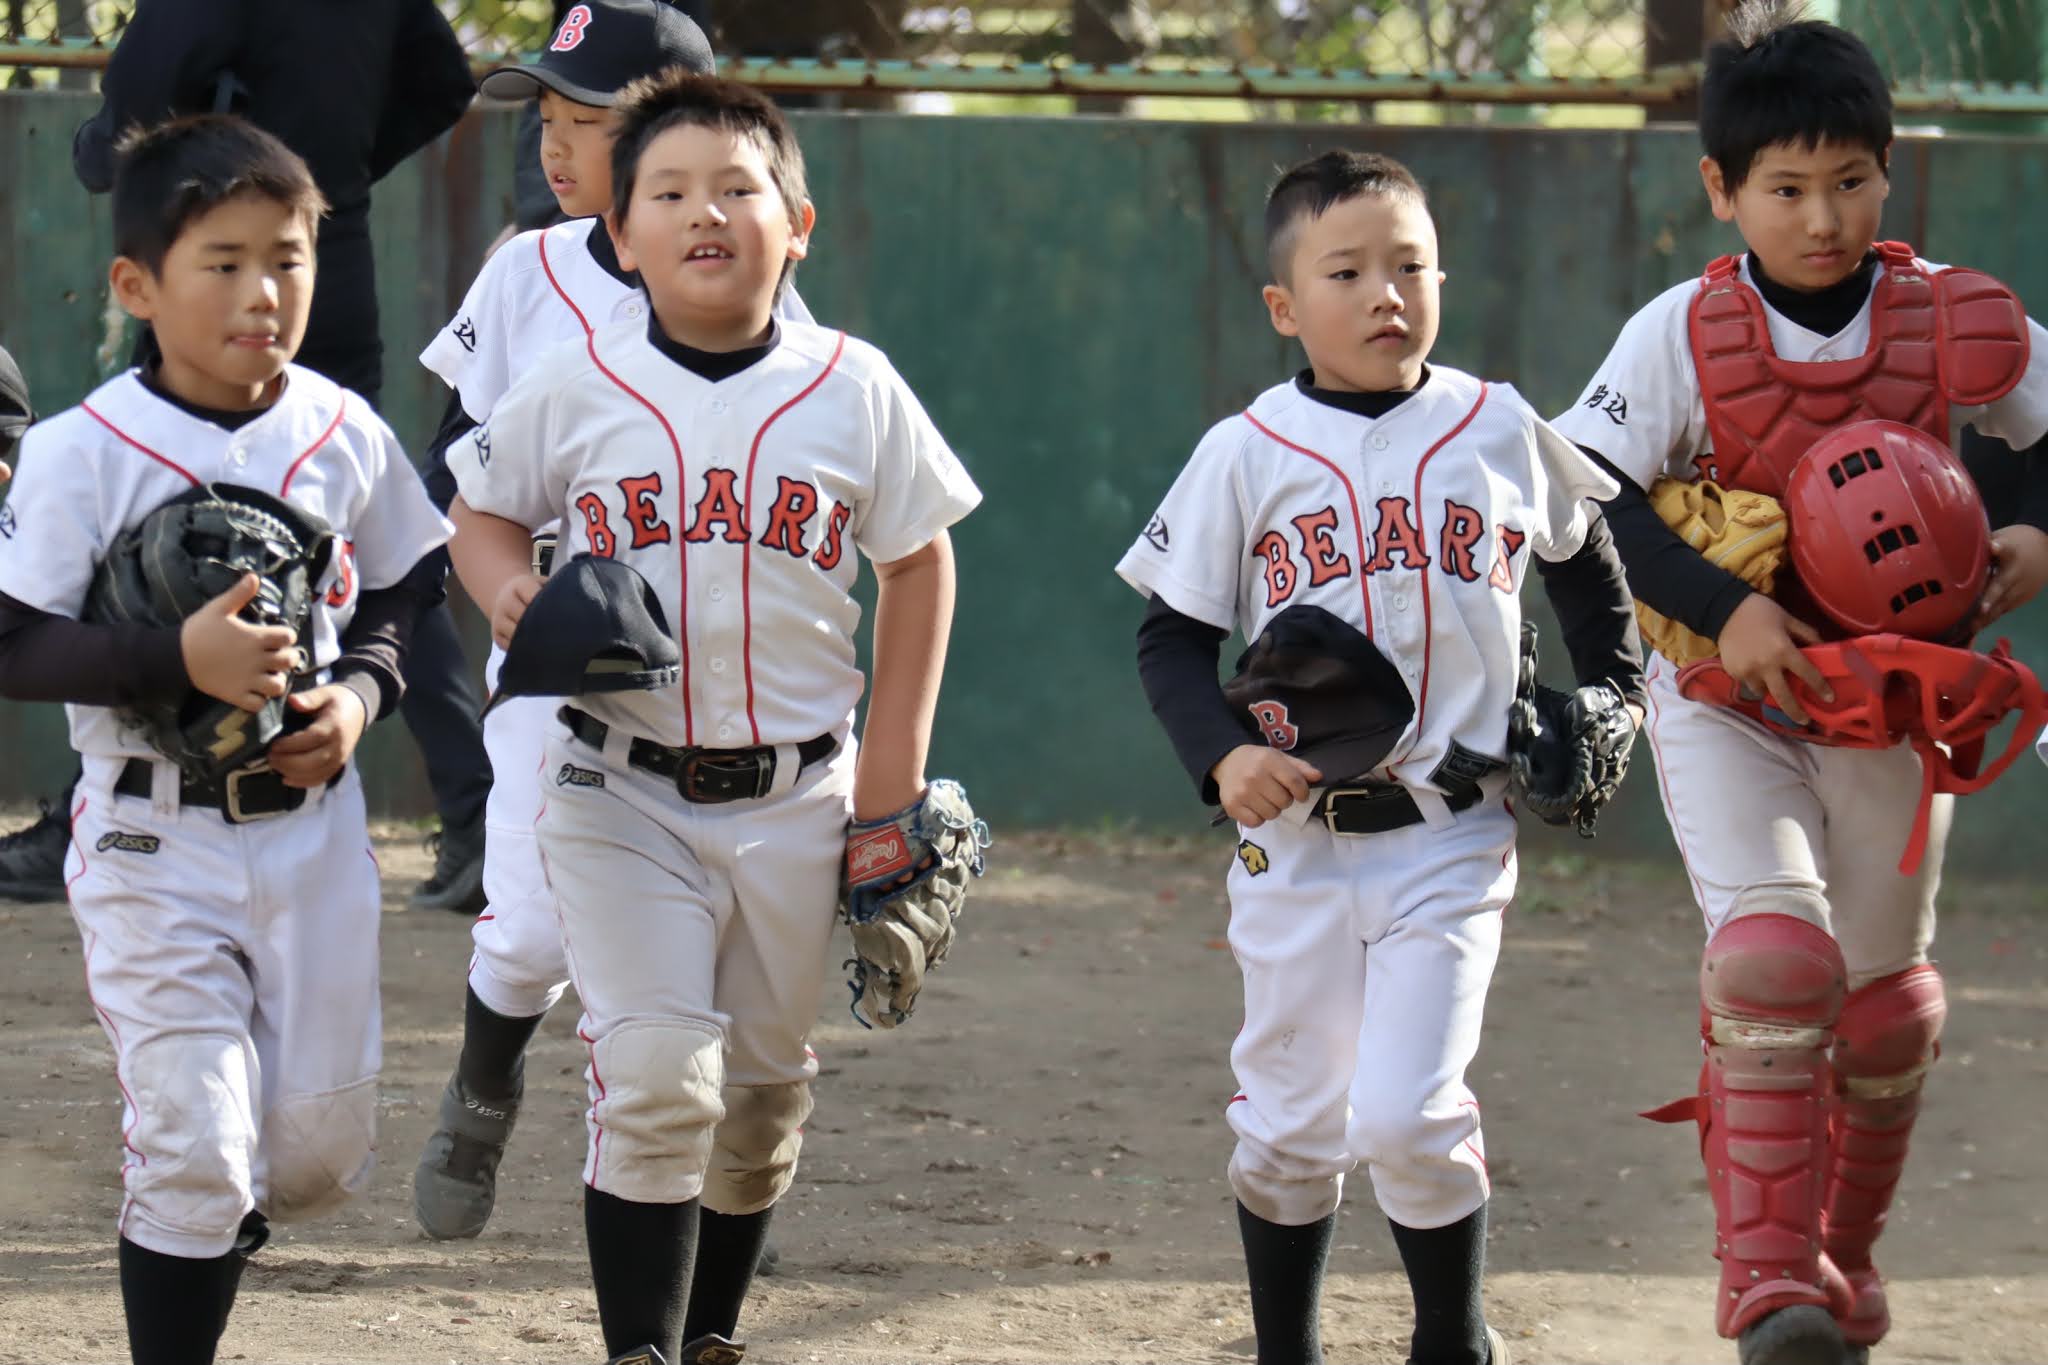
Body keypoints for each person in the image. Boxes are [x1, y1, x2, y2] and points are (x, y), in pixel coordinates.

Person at [443, 70, 979, 1365]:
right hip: (616, 787)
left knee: (759, 1101)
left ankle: (711, 1334)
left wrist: (890, 783)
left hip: (801, 795)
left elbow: (918, 558)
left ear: (796, 224)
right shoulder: (577, 385)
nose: (705, 212)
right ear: (618, 236)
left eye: (739, 188)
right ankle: (640, 1347)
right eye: (668, 192)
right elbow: (483, 507)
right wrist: (512, 587)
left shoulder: (853, 385)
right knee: (657, 1075)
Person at [1547, 9, 2048, 1364]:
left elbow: (2039, 440)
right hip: (1728, 698)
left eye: (1849, 180)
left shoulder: (1949, 308)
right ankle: (1765, 1285)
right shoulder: (1682, 332)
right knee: (1775, 959)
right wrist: (1722, 607)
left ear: (1889, 172)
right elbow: (1586, 494)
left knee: (1887, 1012)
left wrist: (2031, 530)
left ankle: (1845, 1260)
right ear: (1721, 188)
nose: (1821, 216)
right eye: (1785, 187)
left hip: (1895, 704)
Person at [1118, 149, 1644, 1365]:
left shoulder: (1497, 425)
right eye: (1344, 270)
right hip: (1294, 842)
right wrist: (1217, 762)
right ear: (1283, 306)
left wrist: (1613, 696)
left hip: (1449, 834)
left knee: (1407, 1115)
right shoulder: (1245, 450)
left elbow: (1587, 574)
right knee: (1290, 1133)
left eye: (1407, 265)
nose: (1382, 293)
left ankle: (1450, 1342)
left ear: (1439, 278)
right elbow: (1169, 640)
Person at [0, 115, 451, 1365]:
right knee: (197, 1149)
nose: (264, 291)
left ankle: (214, 1220)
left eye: (290, 258)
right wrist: (171, 660)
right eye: (225, 261)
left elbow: (413, 585)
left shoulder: (340, 427)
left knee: (309, 1160)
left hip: (312, 840)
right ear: (138, 286)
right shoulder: (83, 451)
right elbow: (12, 643)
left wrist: (360, 695)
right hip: (152, 836)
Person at [411, 0, 814, 1275]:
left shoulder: (749, 284)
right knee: (526, 929)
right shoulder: (525, 270)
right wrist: (502, 589)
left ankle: (673, 1196)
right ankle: (482, 1088)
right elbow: (451, 458)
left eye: (587, 118)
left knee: (710, 992)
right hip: (553, 664)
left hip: (708, 674)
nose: (555, 141)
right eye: (548, 115)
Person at [50, 0, 494, 915]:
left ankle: (98, 801)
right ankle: (477, 805)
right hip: (322, 258)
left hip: (210, 261)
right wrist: (327, 181)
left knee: (178, 526)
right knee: (360, 530)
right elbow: (444, 79)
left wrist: (177, 171)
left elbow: (137, 101)